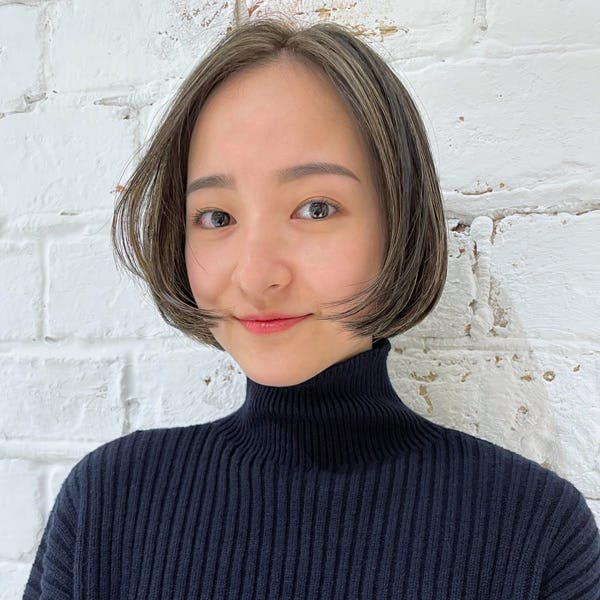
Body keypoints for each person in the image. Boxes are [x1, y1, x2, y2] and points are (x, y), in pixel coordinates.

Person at [24, 17, 599, 599]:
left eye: (316, 209)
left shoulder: (535, 534)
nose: (256, 275)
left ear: (398, 223)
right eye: (217, 217)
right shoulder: (107, 505)